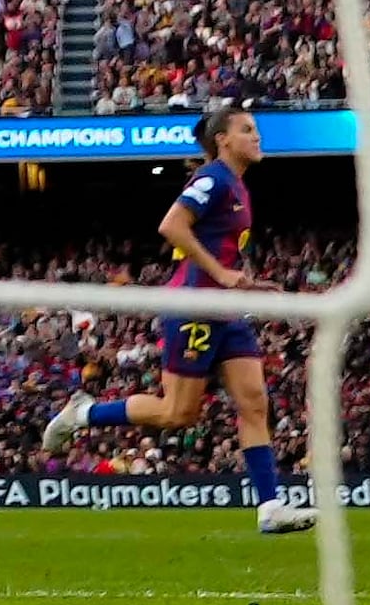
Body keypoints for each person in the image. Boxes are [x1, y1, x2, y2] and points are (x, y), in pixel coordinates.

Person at [42, 100, 310, 535]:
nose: (257, 136)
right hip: (193, 309)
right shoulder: (212, 179)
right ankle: (84, 413)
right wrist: (222, 273)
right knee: (178, 413)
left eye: (256, 129)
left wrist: (243, 282)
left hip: (224, 309)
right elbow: (171, 225)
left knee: (254, 402)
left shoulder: (238, 186)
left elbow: (218, 249)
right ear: (223, 140)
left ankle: (271, 507)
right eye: (247, 129)